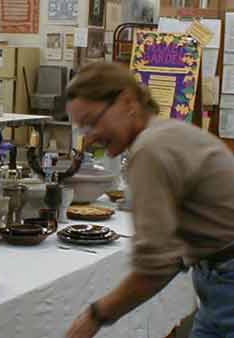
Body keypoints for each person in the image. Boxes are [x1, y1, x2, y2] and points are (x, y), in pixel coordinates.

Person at [65, 62, 234, 338]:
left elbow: (157, 265)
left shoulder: (149, 148)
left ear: (128, 102)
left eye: (93, 122)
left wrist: (96, 315)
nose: (90, 137)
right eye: (83, 128)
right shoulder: (163, 133)